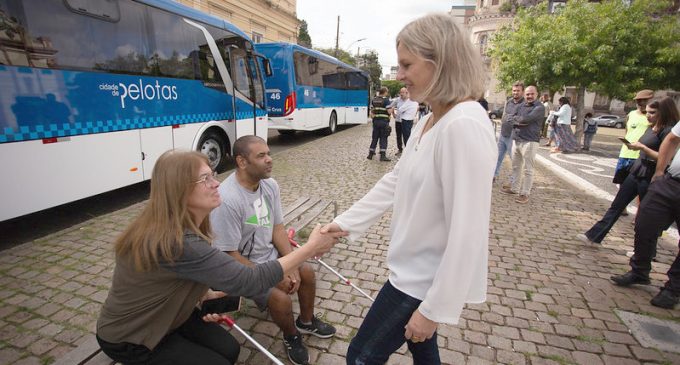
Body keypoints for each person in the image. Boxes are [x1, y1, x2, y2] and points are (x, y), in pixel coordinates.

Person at [322, 14, 496, 364]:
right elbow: (395, 179)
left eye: (406, 64)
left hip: (421, 279)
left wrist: (434, 308)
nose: (399, 74)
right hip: (413, 270)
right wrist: (345, 223)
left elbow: (469, 230)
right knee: (421, 349)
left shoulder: (463, 124)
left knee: (360, 356)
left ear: (441, 62)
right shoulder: (431, 116)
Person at [96, 150, 343, 365]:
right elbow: (249, 280)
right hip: (132, 336)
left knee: (230, 349)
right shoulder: (176, 240)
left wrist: (203, 296)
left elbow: (171, 279)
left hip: (172, 316)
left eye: (212, 175)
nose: (216, 183)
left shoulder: (187, 224)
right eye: (205, 179)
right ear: (178, 190)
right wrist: (309, 249)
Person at [210, 136, 337, 365]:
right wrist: (275, 275)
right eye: (261, 156)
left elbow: (278, 228)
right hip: (241, 268)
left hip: (268, 258)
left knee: (306, 271)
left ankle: (306, 322)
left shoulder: (269, 185)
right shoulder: (227, 199)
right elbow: (228, 255)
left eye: (269, 153)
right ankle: (291, 336)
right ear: (241, 161)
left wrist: (292, 263)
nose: (270, 160)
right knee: (280, 299)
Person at [577, 97, 677, 245]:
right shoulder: (651, 127)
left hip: (651, 174)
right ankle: (594, 235)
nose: (648, 115)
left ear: (663, 112)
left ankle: (645, 250)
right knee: (617, 205)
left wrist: (643, 148)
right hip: (637, 169)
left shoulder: (669, 132)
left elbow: (666, 158)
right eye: (647, 112)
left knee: (646, 216)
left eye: (652, 112)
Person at [610, 118, 680, 309]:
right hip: (671, 181)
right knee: (644, 225)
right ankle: (640, 271)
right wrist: (659, 172)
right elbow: (673, 139)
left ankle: (673, 288)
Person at [500, 85, 545, 204]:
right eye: (527, 94)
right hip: (516, 139)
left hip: (530, 141)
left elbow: (527, 119)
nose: (529, 96)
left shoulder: (539, 107)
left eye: (532, 94)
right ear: (524, 95)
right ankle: (514, 188)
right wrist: (518, 120)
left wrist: (518, 120)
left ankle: (525, 193)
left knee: (528, 169)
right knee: (516, 167)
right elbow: (507, 117)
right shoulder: (520, 105)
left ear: (536, 94)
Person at [613, 89, 654, 184]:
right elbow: (627, 132)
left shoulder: (653, 117)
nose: (641, 102)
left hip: (641, 157)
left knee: (639, 185)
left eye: (645, 100)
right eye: (638, 100)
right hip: (625, 154)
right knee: (621, 184)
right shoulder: (631, 114)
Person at [494, 81, 524, 184]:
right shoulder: (509, 101)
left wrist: (511, 118)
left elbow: (521, 119)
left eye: (518, 91)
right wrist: (507, 119)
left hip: (514, 136)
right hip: (503, 134)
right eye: (514, 90)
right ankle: (493, 175)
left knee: (515, 161)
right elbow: (505, 116)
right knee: (497, 157)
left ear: (522, 92)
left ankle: (514, 182)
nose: (515, 92)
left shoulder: (524, 104)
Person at [390, 87, 419, 155]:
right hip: (398, 120)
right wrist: (393, 113)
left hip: (406, 120)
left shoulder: (410, 100)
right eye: (400, 92)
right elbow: (391, 106)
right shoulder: (397, 100)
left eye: (403, 92)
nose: (401, 94)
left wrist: (413, 114)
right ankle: (400, 149)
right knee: (398, 135)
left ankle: (407, 150)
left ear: (407, 93)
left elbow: (417, 108)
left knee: (406, 135)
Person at [368, 87, 393, 161]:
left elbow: (372, 112)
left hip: (375, 122)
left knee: (374, 137)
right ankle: (383, 156)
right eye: (387, 92)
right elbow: (389, 112)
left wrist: (375, 118)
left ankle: (370, 154)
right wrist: (392, 108)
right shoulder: (386, 100)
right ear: (385, 92)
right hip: (384, 122)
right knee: (383, 138)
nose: (387, 93)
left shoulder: (374, 100)